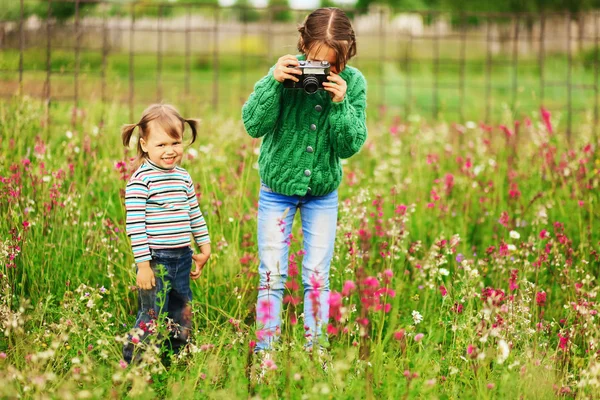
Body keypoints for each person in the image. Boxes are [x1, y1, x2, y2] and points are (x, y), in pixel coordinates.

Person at [242, 7, 367, 353]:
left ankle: (316, 350)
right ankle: (266, 352)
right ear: (303, 46)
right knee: (272, 275)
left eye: (332, 65)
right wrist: (272, 83)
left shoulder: (354, 84)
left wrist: (341, 105)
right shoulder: (284, 73)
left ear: (347, 54)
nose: (323, 71)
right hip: (276, 190)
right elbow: (253, 125)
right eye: (316, 62)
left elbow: (349, 145)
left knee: (317, 276)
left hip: (322, 193)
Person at [121, 104, 211, 363]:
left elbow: (194, 214)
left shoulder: (183, 177)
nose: (170, 151)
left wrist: (204, 247)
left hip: (183, 257)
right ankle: (133, 362)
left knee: (181, 311)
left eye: (175, 142)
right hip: (156, 260)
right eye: (161, 145)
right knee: (151, 313)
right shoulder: (141, 181)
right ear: (145, 144)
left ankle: (174, 358)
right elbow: (135, 227)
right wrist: (143, 266)